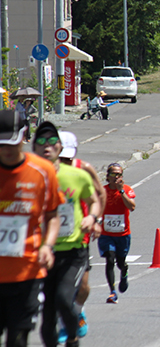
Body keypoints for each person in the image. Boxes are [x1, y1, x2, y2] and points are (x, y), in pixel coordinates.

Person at [33, 122, 102, 347]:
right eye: (41, 141)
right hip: (43, 253)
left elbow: (94, 200)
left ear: (60, 148)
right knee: (48, 314)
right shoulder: (30, 177)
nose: (47, 146)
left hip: (73, 250)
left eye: (52, 142)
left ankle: (72, 340)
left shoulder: (77, 175)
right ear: (33, 147)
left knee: (64, 299)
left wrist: (92, 218)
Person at [0, 110, 62, 347]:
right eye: (1, 144)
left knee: (18, 339)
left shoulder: (42, 172)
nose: (7, 149)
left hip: (26, 271)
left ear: (24, 137)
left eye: (12, 143)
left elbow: (52, 215)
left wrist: (47, 245)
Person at [55, 131, 106, 342]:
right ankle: (64, 325)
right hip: (52, 237)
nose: (64, 162)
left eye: (67, 158)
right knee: (58, 288)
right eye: (61, 158)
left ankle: (77, 311)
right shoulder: (45, 172)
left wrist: (95, 220)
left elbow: (100, 194)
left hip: (79, 234)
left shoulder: (84, 169)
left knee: (83, 286)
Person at [98, 162, 136, 304]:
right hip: (106, 234)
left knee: (120, 262)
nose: (116, 177)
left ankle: (124, 271)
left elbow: (132, 207)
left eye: (119, 174)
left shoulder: (127, 189)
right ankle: (112, 292)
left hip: (122, 234)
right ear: (107, 176)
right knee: (110, 259)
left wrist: (121, 192)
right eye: (113, 174)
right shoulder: (102, 191)